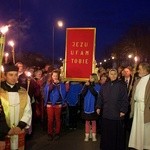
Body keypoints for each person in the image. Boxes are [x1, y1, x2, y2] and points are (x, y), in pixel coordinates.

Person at [0, 63, 32, 150]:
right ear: (5, 75)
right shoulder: (1, 92)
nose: (14, 77)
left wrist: (20, 126)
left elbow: (28, 110)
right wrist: (5, 130)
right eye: (10, 75)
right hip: (3, 131)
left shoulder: (23, 92)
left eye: (16, 75)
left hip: (19, 130)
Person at [97, 69, 129, 150]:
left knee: (116, 135)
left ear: (117, 75)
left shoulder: (121, 85)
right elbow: (100, 98)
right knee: (106, 134)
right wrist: (98, 107)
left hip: (116, 114)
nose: (113, 75)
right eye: (111, 74)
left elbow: (125, 99)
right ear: (109, 75)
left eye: (115, 74)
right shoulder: (104, 85)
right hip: (106, 114)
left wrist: (123, 110)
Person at [129, 62, 150, 150]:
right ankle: (137, 144)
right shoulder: (138, 80)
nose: (138, 71)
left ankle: (146, 146)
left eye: (140, 69)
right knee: (137, 127)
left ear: (145, 69)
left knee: (145, 128)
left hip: (145, 108)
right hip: (137, 106)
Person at [44, 69, 68, 141]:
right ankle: (50, 133)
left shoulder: (61, 84)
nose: (55, 77)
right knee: (50, 119)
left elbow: (63, 93)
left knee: (57, 119)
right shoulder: (48, 83)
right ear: (51, 76)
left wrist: (58, 85)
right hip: (49, 103)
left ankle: (57, 133)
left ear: (58, 76)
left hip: (58, 103)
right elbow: (46, 91)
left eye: (56, 76)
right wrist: (53, 84)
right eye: (53, 75)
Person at [80, 73, 101, 142]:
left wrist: (89, 86)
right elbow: (82, 94)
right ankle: (87, 135)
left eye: (91, 78)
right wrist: (86, 86)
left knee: (93, 121)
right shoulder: (85, 85)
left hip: (94, 106)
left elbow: (95, 94)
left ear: (95, 78)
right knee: (87, 121)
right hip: (86, 105)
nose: (90, 79)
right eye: (89, 77)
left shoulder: (98, 86)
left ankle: (93, 135)